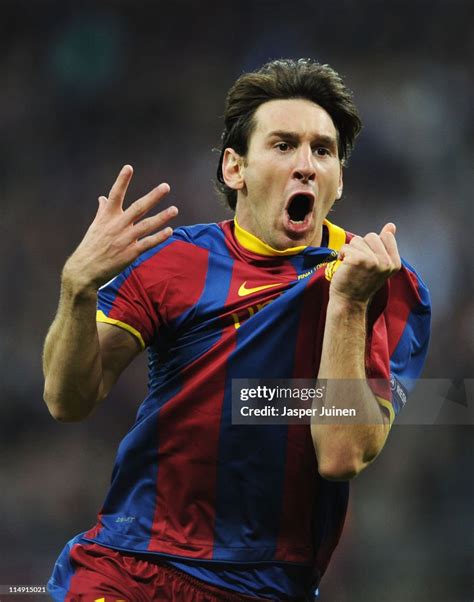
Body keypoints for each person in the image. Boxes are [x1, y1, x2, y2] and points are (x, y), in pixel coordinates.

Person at [43, 59, 431, 601]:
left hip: (266, 585)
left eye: (322, 151)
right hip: (131, 564)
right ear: (234, 168)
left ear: (339, 179)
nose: (305, 165)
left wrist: (345, 305)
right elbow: (68, 399)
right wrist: (76, 287)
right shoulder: (174, 261)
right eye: (282, 145)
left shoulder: (378, 280)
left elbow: (341, 455)